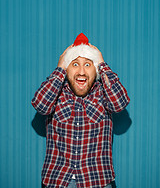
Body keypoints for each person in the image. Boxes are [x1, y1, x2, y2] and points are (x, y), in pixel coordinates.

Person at [31, 33, 130, 188]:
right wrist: (60, 68)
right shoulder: (56, 92)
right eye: (75, 64)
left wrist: (102, 64)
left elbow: (119, 103)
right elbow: (41, 105)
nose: (82, 72)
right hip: (58, 181)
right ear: (66, 69)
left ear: (96, 70)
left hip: (97, 181)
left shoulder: (103, 92)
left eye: (88, 64)